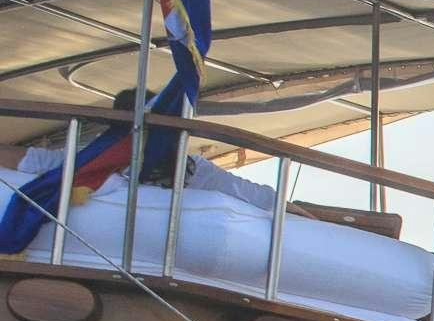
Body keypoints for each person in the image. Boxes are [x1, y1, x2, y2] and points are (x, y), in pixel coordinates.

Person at [0, 89, 312, 218]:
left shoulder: (195, 171)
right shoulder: (90, 161)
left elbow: (261, 199)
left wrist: (320, 224)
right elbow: (28, 161)